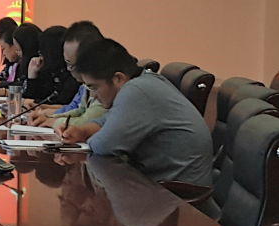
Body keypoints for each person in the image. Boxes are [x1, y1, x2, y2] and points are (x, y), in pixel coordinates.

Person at [60, 38, 213, 186]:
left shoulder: (136, 91)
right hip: (162, 184)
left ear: (118, 78)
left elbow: (103, 146)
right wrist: (83, 131)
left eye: (94, 87)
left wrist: (89, 138)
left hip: (177, 193)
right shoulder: (144, 81)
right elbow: (109, 119)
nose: (93, 96)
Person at [29, 20, 105, 128]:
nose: (69, 69)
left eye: (71, 64)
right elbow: (78, 110)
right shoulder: (84, 86)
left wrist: (52, 122)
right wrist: (50, 117)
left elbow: (87, 120)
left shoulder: (104, 81)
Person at [23, 25, 80, 105]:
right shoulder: (48, 70)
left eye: (43, 50)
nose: (40, 54)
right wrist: (32, 76)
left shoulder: (72, 75)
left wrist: (35, 103)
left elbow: (62, 103)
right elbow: (29, 98)